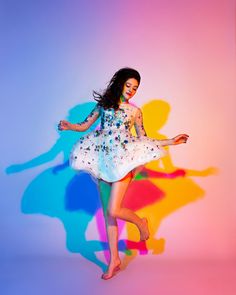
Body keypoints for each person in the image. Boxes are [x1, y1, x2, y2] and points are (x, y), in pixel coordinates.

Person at [58, 67, 189, 280]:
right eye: (128, 86)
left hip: (122, 163)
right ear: (119, 83)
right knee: (109, 215)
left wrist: (171, 141)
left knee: (114, 209)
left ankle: (140, 223)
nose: (131, 90)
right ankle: (114, 261)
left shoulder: (135, 112)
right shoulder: (103, 106)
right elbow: (84, 126)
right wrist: (69, 126)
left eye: (135, 88)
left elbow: (144, 139)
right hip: (102, 161)